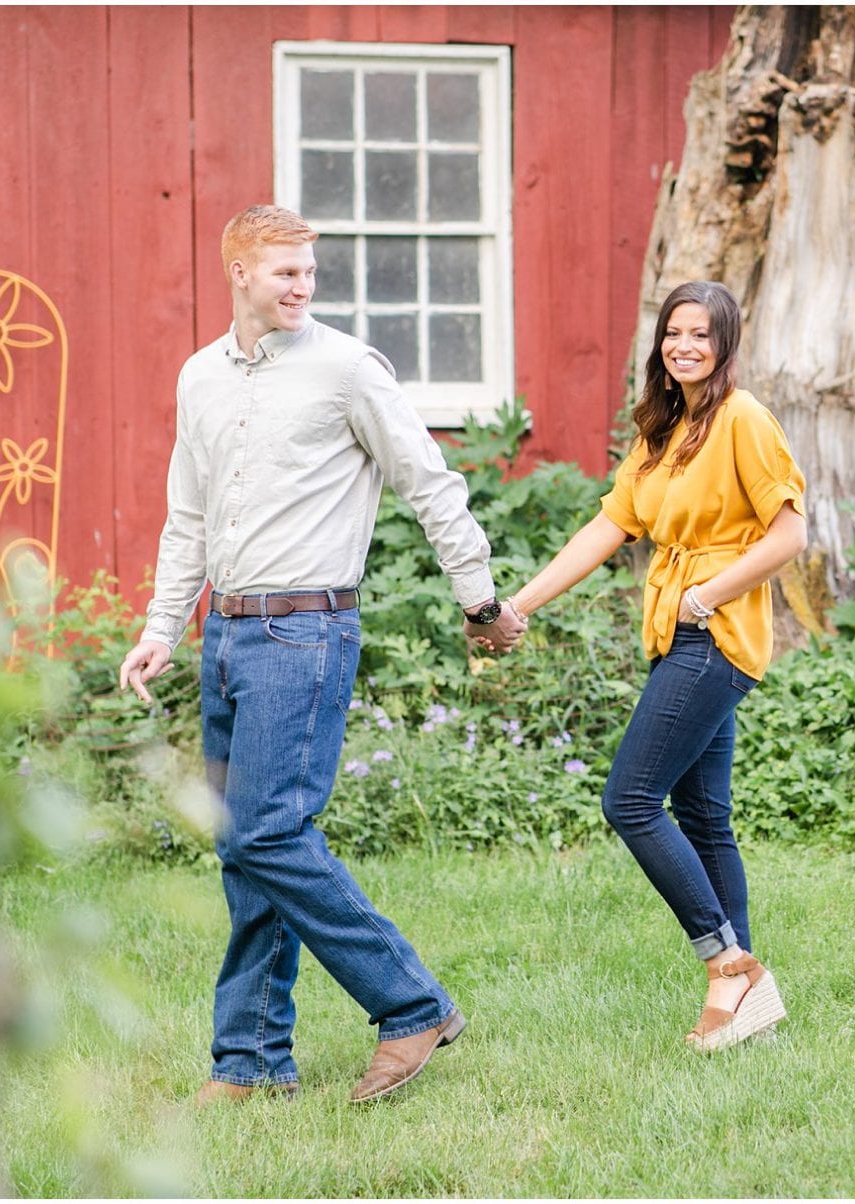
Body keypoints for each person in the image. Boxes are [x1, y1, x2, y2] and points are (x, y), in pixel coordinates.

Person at [117, 205, 526, 1104]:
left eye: (310, 271)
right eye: (285, 273)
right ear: (238, 272)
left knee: (268, 829)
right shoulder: (200, 380)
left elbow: (431, 481)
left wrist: (479, 598)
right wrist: (161, 626)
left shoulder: (346, 369)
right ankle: (252, 1063)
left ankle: (410, 1003)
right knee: (243, 847)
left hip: (305, 633)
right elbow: (188, 516)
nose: (303, 286)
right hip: (225, 633)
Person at [497, 280, 806, 1052]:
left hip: (715, 635)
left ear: (725, 344)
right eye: (674, 332)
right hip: (681, 635)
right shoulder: (665, 430)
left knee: (631, 799)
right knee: (704, 817)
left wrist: (705, 595)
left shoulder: (742, 420)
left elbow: (790, 535)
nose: (685, 346)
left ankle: (725, 961)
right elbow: (607, 528)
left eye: (702, 334)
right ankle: (750, 1008)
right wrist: (521, 606)